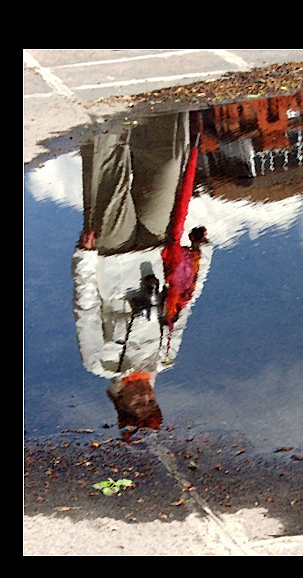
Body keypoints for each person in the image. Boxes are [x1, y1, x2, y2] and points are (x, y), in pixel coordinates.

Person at [72, 112, 212, 440]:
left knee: (110, 173)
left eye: (139, 407)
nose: (145, 399)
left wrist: (85, 259)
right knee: (169, 163)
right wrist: (201, 256)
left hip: (112, 256)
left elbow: (86, 309)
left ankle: (107, 107)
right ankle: (161, 104)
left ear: (119, 402)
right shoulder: (166, 356)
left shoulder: (100, 363)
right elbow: (184, 304)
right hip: (157, 249)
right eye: (152, 403)